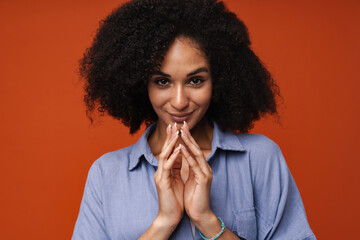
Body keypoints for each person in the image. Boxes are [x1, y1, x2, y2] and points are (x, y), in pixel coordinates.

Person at [72, 0, 316, 239]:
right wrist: (163, 223)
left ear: (220, 80)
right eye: (163, 81)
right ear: (139, 83)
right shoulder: (106, 175)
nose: (179, 101)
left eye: (195, 80)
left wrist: (207, 220)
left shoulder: (261, 159)